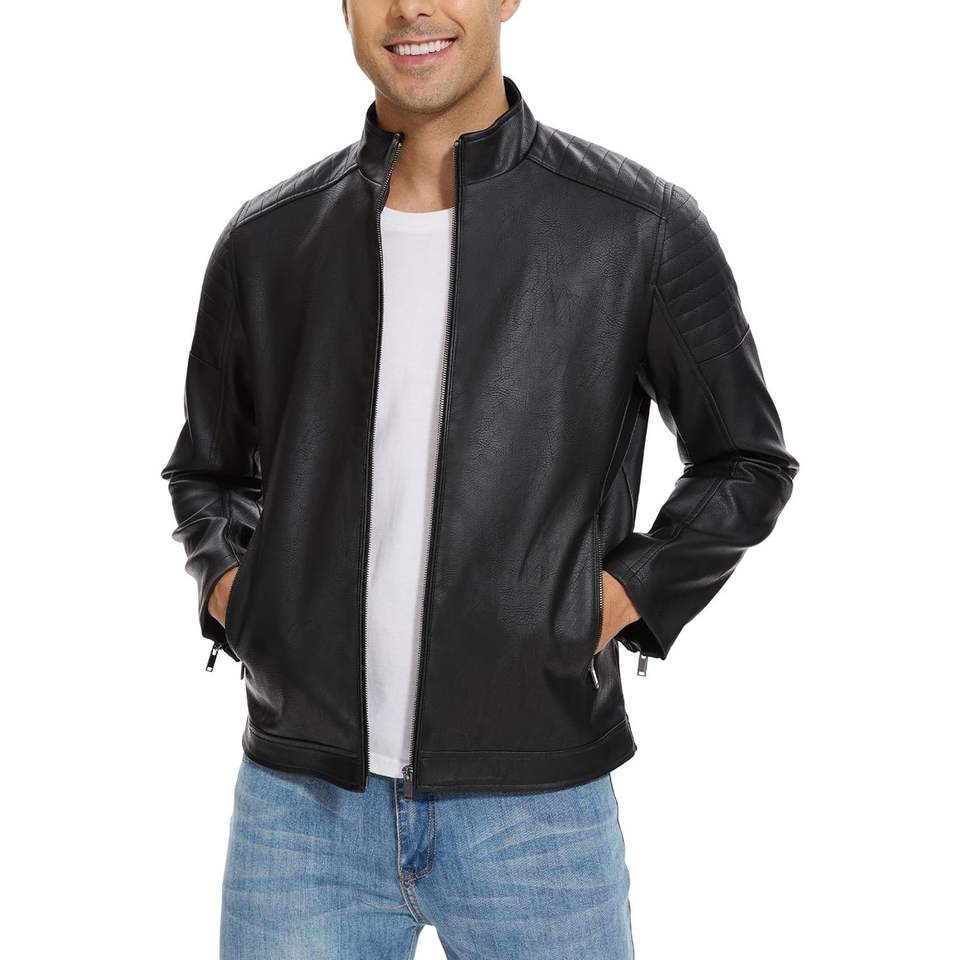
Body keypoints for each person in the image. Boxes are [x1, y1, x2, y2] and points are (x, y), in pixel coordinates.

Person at [161, 1, 799, 956]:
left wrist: (611, 600)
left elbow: (746, 460)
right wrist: (236, 592)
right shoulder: (267, 241)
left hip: (537, 811)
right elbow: (208, 471)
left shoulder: (636, 228)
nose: (411, 8)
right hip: (299, 809)